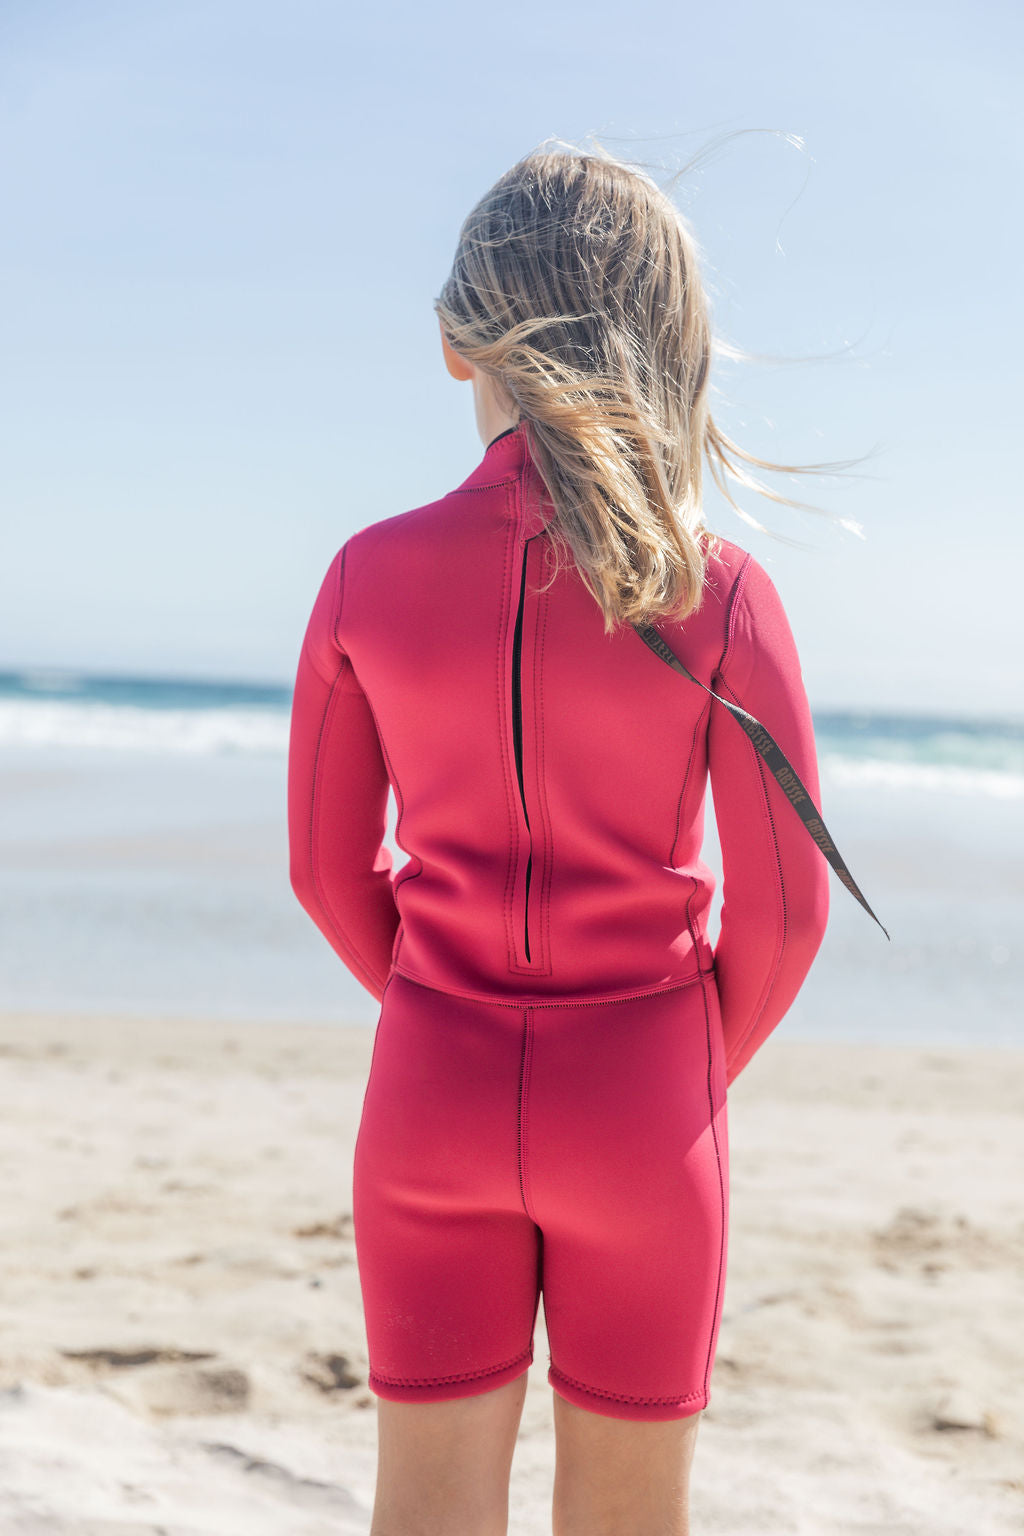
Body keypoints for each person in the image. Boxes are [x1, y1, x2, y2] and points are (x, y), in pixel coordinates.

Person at [288, 141, 832, 1536]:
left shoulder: (363, 575)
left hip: (431, 1090)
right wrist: (669, 1066)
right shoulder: (718, 590)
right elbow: (785, 920)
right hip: (645, 1104)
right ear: (672, 345)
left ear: (454, 341)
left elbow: (325, 874)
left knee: (423, 1511)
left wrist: (446, 1015)